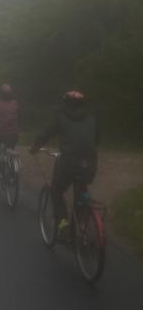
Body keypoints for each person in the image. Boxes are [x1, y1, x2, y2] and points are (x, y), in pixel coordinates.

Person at [30, 90, 100, 233]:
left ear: (66, 103)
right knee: (82, 192)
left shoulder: (61, 116)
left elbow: (47, 133)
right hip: (89, 163)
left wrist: (35, 146)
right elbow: (96, 138)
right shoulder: (92, 117)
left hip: (68, 162)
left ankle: (63, 226)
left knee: (56, 191)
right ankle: (81, 226)